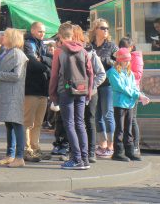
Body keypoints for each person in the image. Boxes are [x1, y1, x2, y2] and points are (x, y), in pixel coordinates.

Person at [49, 22, 94, 170]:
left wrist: (52, 94)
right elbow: (90, 73)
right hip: (81, 90)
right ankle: (85, 158)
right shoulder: (83, 51)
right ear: (73, 35)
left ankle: (76, 159)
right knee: (80, 124)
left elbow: (54, 75)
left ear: (60, 36)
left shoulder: (59, 51)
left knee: (69, 124)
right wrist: (88, 92)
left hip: (66, 90)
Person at [0, 28, 29, 168]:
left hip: (13, 94)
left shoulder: (18, 54)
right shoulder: (5, 51)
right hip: (6, 93)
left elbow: (17, 76)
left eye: (5, 35)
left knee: (16, 124)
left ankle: (19, 156)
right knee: (9, 125)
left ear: (12, 38)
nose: (2, 36)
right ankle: (10, 154)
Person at [107, 48, 150, 161]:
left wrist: (140, 95)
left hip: (129, 104)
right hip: (120, 103)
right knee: (120, 129)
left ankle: (129, 151)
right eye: (125, 60)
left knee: (128, 128)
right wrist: (137, 95)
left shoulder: (129, 73)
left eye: (128, 60)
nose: (127, 62)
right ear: (119, 60)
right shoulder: (113, 72)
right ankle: (118, 152)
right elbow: (120, 87)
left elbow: (133, 87)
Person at [73, 26, 106, 164]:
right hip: (75, 93)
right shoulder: (70, 53)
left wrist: (91, 88)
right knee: (76, 122)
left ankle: (91, 151)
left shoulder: (91, 54)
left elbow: (101, 74)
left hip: (90, 94)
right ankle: (78, 150)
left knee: (89, 121)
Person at [23, 22, 52, 162]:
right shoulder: (28, 43)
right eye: (40, 31)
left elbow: (51, 60)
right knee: (28, 122)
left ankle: (35, 147)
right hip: (31, 89)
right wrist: (47, 67)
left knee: (38, 122)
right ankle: (27, 149)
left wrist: (44, 60)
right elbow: (32, 63)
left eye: (44, 32)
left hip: (42, 89)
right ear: (33, 30)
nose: (43, 34)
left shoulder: (42, 45)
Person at [89, 18, 118, 158]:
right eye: (102, 28)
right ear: (95, 30)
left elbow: (120, 64)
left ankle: (111, 146)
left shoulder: (112, 46)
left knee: (108, 114)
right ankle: (102, 144)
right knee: (97, 116)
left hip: (107, 84)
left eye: (107, 28)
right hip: (94, 84)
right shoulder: (90, 46)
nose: (106, 30)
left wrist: (104, 60)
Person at [118, 37, 143, 156]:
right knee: (125, 120)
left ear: (131, 47)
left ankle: (136, 145)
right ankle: (127, 145)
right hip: (125, 91)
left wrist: (124, 71)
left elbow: (138, 74)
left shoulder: (136, 57)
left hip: (133, 91)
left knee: (132, 119)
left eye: (126, 48)